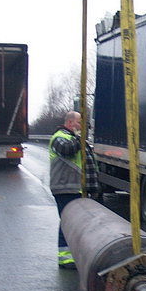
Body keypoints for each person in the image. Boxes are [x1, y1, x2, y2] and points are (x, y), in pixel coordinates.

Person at [49, 111, 99, 269]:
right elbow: (67, 150)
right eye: (79, 123)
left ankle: (74, 255)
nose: (82, 127)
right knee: (67, 223)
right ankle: (65, 258)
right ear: (70, 123)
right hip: (65, 187)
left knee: (77, 224)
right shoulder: (59, 137)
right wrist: (80, 137)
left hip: (76, 188)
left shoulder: (75, 138)